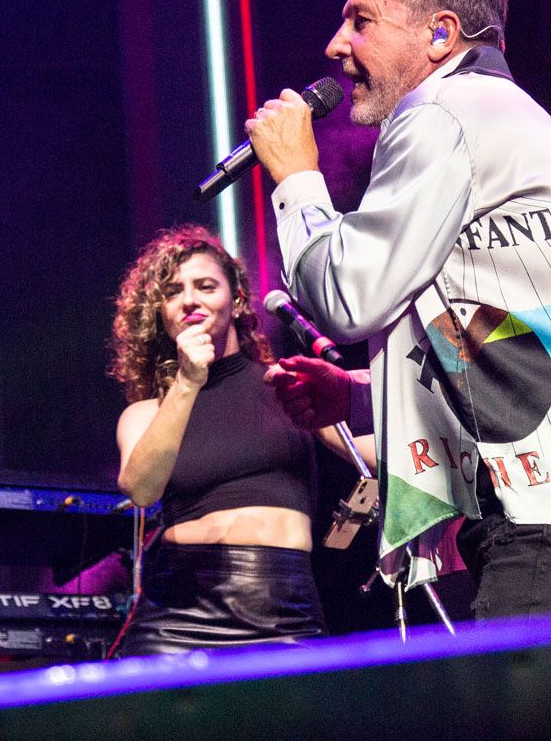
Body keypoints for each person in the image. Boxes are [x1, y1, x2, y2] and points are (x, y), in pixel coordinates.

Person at [246, 0, 551, 620]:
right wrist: (359, 395)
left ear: (440, 33)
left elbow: (345, 298)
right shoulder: (488, 113)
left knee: (527, 718)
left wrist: (298, 178)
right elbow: (501, 334)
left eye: (361, 20)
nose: (336, 45)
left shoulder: (442, 114)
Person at [109, 226, 366, 655]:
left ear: (238, 300)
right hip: (178, 615)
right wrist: (187, 383)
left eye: (206, 286)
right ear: (161, 312)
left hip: (283, 605)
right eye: (174, 292)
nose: (190, 299)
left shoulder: (285, 386)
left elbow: (378, 458)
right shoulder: (147, 413)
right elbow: (140, 488)